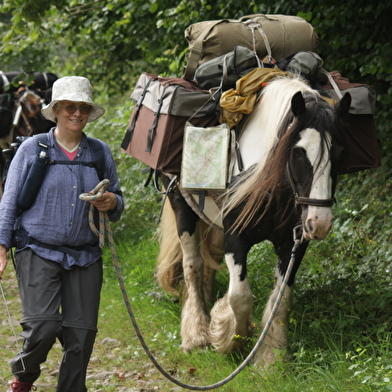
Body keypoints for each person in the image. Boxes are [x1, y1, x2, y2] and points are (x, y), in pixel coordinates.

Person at [0, 76, 124, 392]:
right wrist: (1, 246)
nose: (76, 113)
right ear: (56, 110)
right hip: (38, 250)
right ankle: (24, 376)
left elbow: (118, 200)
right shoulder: (32, 149)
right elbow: (10, 200)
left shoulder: (99, 152)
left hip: (85, 254)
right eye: (70, 106)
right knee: (43, 326)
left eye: (82, 107)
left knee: (80, 336)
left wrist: (111, 201)